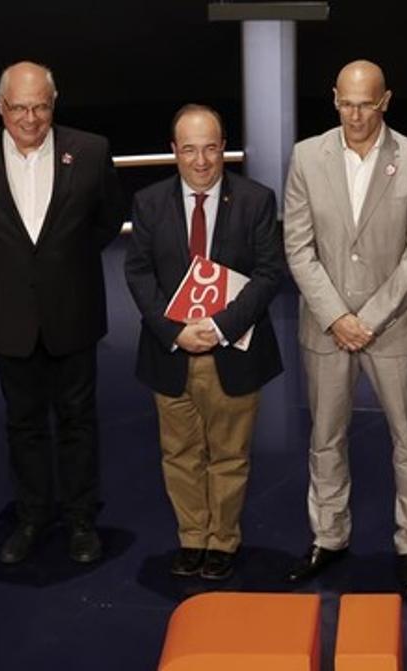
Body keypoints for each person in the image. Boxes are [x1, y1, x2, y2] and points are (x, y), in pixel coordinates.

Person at [0, 61, 124, 564]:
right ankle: (31, 517)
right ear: (0, 106)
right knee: (21, 424)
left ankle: (81, 520)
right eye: (20, 107)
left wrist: (62, 266)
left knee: (78, 422)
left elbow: (108, 220)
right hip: (8, 319)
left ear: (54, 103)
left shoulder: (90, 151)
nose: (30, 118)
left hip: (73, 312)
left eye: (40, 106)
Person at [282, 60, 407, 593]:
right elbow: (298, 248)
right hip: (325, 327)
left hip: (393, 329)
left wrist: (366, 320)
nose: (355, 115)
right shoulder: (306, 156)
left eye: (366, 104)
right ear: (333, 98)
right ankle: (328, 537)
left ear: (386, 100)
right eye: (346, 103)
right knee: (325, 439)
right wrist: (337, 318)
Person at [124, 104, 286, 581]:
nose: (200, 161)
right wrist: (174, 329)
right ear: (174, 151)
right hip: (169, 352)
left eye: (210, 148)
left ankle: (223, 541)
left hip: (233, 351)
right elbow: (137, 272)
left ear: (224, 149)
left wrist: (217, 327)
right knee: (180, 454)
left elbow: (268, 272)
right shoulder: (149, 203)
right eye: (190, 149)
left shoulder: (256, 200)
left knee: (229, 455)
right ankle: (192, 537)